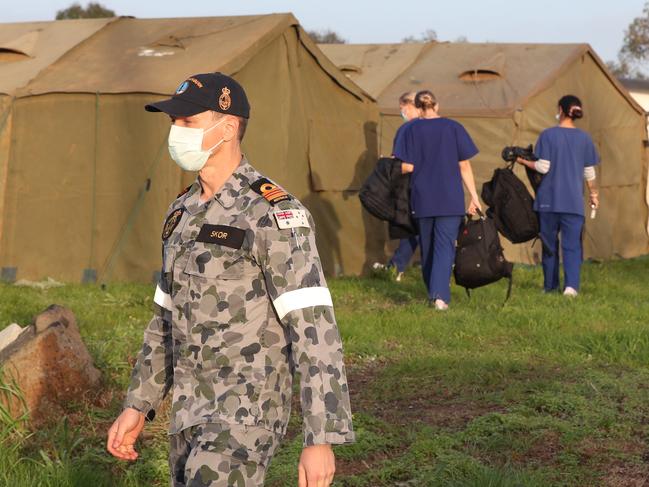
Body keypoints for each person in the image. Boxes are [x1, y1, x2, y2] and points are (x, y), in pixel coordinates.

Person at [106, 72, 354, 487]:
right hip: (187, 408)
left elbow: (314, 326)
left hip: (246, 410)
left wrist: (321, 437)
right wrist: (139, 404)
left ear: (228, 126)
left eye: (187, 122)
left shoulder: (271, 212)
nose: (175, 132)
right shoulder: (180, 213)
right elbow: (163, 320)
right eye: (173, 122)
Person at [394, 90, 481, 310]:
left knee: (428, 247)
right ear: (437, 105)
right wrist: (474, 196)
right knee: (444, 247)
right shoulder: (453, 128)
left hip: (422, 198)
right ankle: (439, 296)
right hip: (450, 198)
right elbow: (464, 165)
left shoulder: (409, 130)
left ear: (416, 106)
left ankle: (435, 292)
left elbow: (405, 165)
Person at [516, 95, 599, 296]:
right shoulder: (585, 138)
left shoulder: (548, 135)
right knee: (572, 246)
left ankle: (550, 286)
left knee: (550, 246)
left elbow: (543, 167)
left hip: (549, 202)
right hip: (573, 204)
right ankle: (571, 287)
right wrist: (594, 194)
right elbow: (589, 172)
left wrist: (522, 161)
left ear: (561, 110)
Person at [387, 92, 420, 281]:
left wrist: (388, 165)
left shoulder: (406, 130)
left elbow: (398, 160)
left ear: (408, 106)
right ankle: (396, 266)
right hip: (436, 187)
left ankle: (396, 267)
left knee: (415, 227)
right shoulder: (435, 127)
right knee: (414, 229)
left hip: (410, 185)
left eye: (401, 109)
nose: (402, 113)